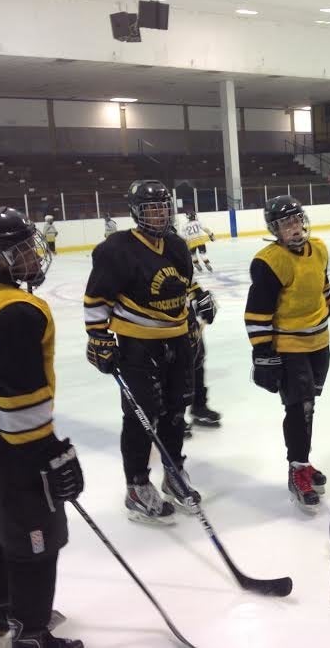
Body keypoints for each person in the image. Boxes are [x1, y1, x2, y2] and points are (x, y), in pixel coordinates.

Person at [0, 207, 84, 647]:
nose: (30, 254)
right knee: (35, 536)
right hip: (5, 444)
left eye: (28, 244)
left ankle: (0, 614)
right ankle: (32, 631)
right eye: (17, 249)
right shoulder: (19, 312)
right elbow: (19, 400)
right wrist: (45, 456)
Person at [83, 180, 216, 524]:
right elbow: (97, 298)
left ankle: (173, 473)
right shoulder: (117, 249)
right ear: (135, 212)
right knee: (142, 417)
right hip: (138, 346)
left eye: (162, 208)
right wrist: (99, 338)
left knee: (176, 412)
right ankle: (137, 487)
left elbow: (183, 283)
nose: (158, 215)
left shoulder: (175, 244)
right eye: (150, 209)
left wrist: (200, 295)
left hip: (178, 339)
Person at [245, 195, 330, 512]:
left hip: (317, 342)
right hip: (288, 346)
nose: (294, 228)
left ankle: (302, 461)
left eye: (297, 221)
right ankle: (298, 468)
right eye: (286, 224)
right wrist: (263, 354)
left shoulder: (319, 249)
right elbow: (256, 314)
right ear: (275, 231)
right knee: (300, 406)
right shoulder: (269, 262)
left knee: (309, 405)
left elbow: (322, 288)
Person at [184, 285, 221, 432]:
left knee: (197, 359)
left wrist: (200, 296)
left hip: (188, 321)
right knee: (172, 368)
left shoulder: (181, 262)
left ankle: (198, 406)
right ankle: (170, 417)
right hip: (163, 319)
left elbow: (188, 277)